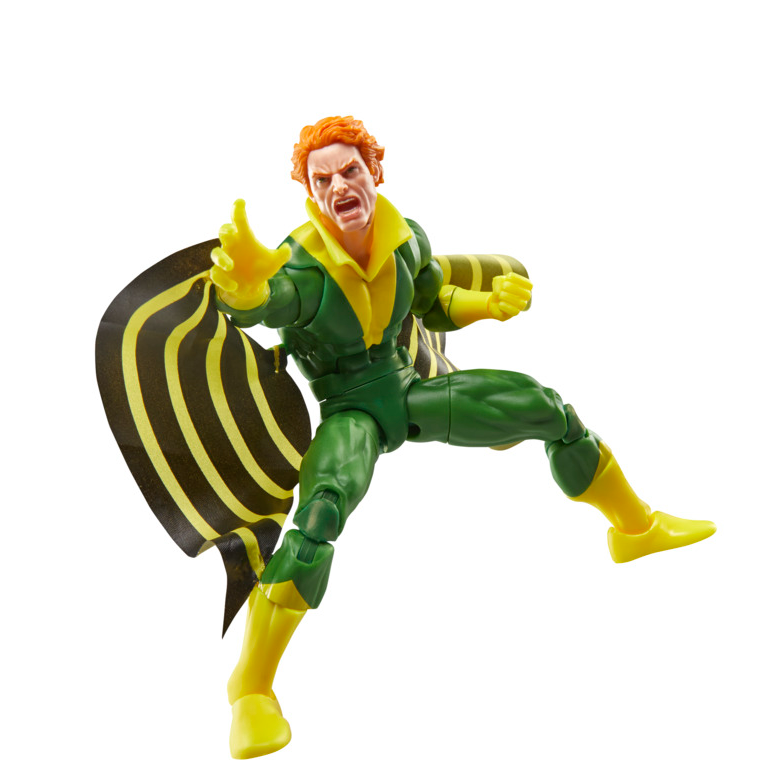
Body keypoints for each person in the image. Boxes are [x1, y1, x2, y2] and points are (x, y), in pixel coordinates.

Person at [209, 116, 716, 759]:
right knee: (318, 519)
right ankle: (251, 688)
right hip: (350, 415)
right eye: (322, 178)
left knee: (546, 409)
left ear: (374, 171)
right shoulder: (303, 267)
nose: (339, 186)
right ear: (309, 192)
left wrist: (487, 305)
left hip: (410, 393)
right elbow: (265, 302)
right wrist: (246, 287)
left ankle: (636, 529)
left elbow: (432, 303)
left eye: (350, 170)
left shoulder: (405, 238)